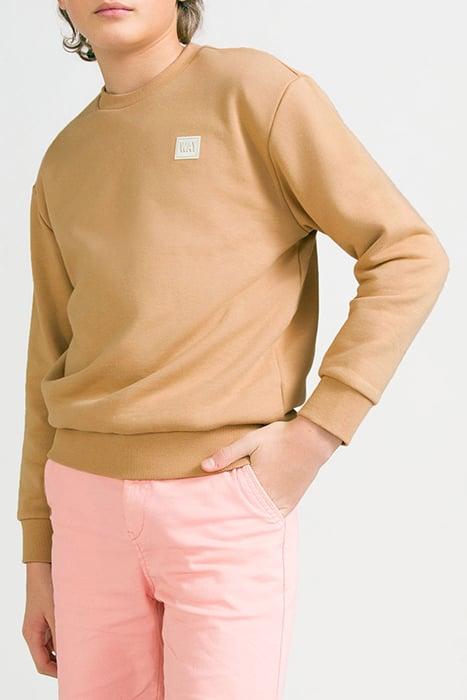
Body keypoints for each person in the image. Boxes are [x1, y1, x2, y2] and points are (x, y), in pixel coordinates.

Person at [17, 0, 450, 697]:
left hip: (221, 496)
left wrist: (317, 433)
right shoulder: (64, 158)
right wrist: (38, 554)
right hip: (83, 507)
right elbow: (50, 353)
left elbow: (407, 254)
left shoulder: (256, 94)